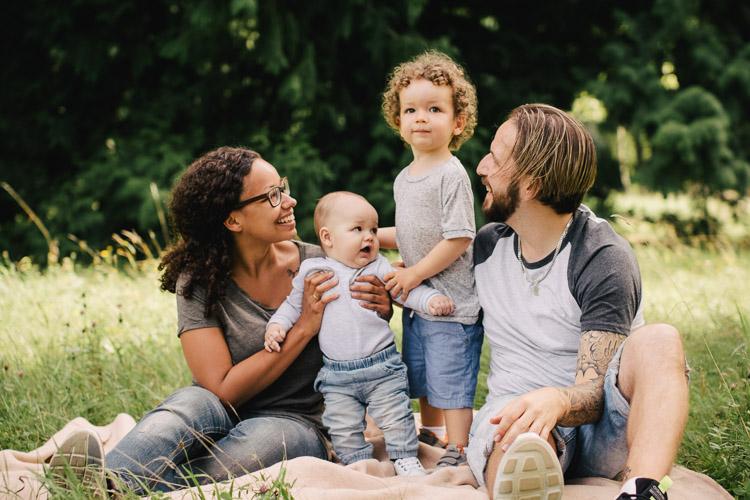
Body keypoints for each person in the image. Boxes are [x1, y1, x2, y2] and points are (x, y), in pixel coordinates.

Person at [49, 147, 393, 495]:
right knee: (188, 404)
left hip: (297, 422)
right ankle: (105, 482)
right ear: (233, 220)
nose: (291, 201)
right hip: (218, 407)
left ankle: (108, 487)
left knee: (260, 444)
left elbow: (372, 320)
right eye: (273, 195)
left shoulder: (327, 266)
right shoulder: (199, 280)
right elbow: (222, 389)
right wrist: (303, 327)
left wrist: (382, 306)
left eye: (283, 188)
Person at [467, 104, 689, 500]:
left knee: (660, 339)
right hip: (519, 418)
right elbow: (434, 300)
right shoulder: (487, 248)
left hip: (603, 426)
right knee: (516, 440)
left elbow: (593, 393)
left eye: (495, 158)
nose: (482, 166)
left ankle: (642, 489)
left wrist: (554, 398)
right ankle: (527, 476)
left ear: (531, 184)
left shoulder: (600, 256)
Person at [264, 191, 454, 475]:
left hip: (382, 366)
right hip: (337, 375)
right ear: (328, 238)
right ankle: (356, 463)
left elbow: (404, 290)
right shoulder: (313, 270)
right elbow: (292, 306)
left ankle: (405, 457)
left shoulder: (377, 267)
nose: (370, 237)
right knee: (342, 424)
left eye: (374, 230)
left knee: (395, 415)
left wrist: (429, 300)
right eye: (358, 229)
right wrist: (276, 326)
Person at [377, 50, 483, 467]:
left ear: (457, 122)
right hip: (418, 301)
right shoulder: (406, 177)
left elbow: (458, 238)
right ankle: (432, 432)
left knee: (450, 377)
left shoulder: (452, 174)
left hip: (451, 304)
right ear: (399, 122)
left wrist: (415, 272)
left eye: (434, 109)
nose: (421, 117)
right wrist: (366, 236)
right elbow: (406, 233)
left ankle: (458, 447)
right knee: (420, 371)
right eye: (411, 110)